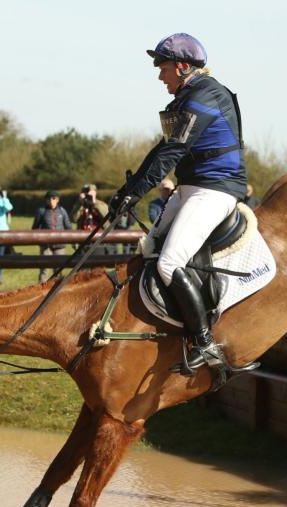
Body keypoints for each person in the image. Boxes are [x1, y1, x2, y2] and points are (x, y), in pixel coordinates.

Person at [110, 32, 254, 376]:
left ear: (183, 66)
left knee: (169, 262)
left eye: (163, 69)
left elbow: (173, 152)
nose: (160, 77)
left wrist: (136, 193)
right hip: (192, 187)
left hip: (215, 189)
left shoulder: (205, 95)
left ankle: (205, 344)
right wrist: (128, 190)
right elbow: (161, 150)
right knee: (149, 248)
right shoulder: (186, 98)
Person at [32, 190, 71, 284]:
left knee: (58, 270)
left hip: (60, 246)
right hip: (46, 246)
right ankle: (41, 291)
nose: (51, 200)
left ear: (57, 200)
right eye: (49, 199)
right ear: (46, 200)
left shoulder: (62, 211)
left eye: (54, 198)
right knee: (44, 270)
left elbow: (68, 227)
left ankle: (57, 292)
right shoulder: (41, 211)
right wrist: (41, 239)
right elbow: (35, 228)